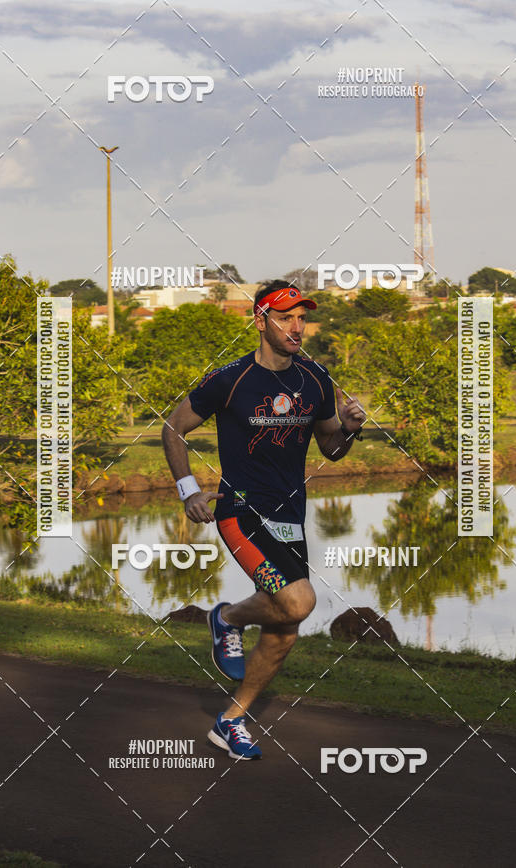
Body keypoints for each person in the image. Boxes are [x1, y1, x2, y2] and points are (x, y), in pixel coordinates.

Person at [162, 280, 365, 760]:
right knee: (299, 601)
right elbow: (173, 427)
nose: (297, 326)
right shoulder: (230, 379)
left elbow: (331, 450)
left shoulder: (316, 378)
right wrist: (188, 490)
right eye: (285, 317)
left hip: (291, 516)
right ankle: (226, 617)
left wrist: (351, 429)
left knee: (284, 628)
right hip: (242, 510)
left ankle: (230, 721)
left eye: (302, 317)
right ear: (260, 321)